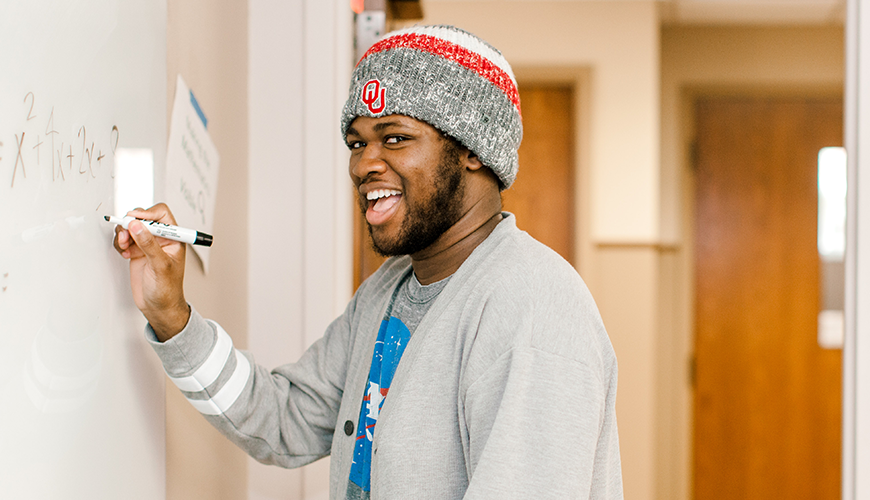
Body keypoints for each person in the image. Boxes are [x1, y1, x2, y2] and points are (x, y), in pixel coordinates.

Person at [114, 25, 622, 499]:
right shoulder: (390, 289)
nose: (364, 164)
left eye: (394, 137)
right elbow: (284, 418)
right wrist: (172, 316)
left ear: (473, 150)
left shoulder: (534, 304)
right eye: (357, 143)